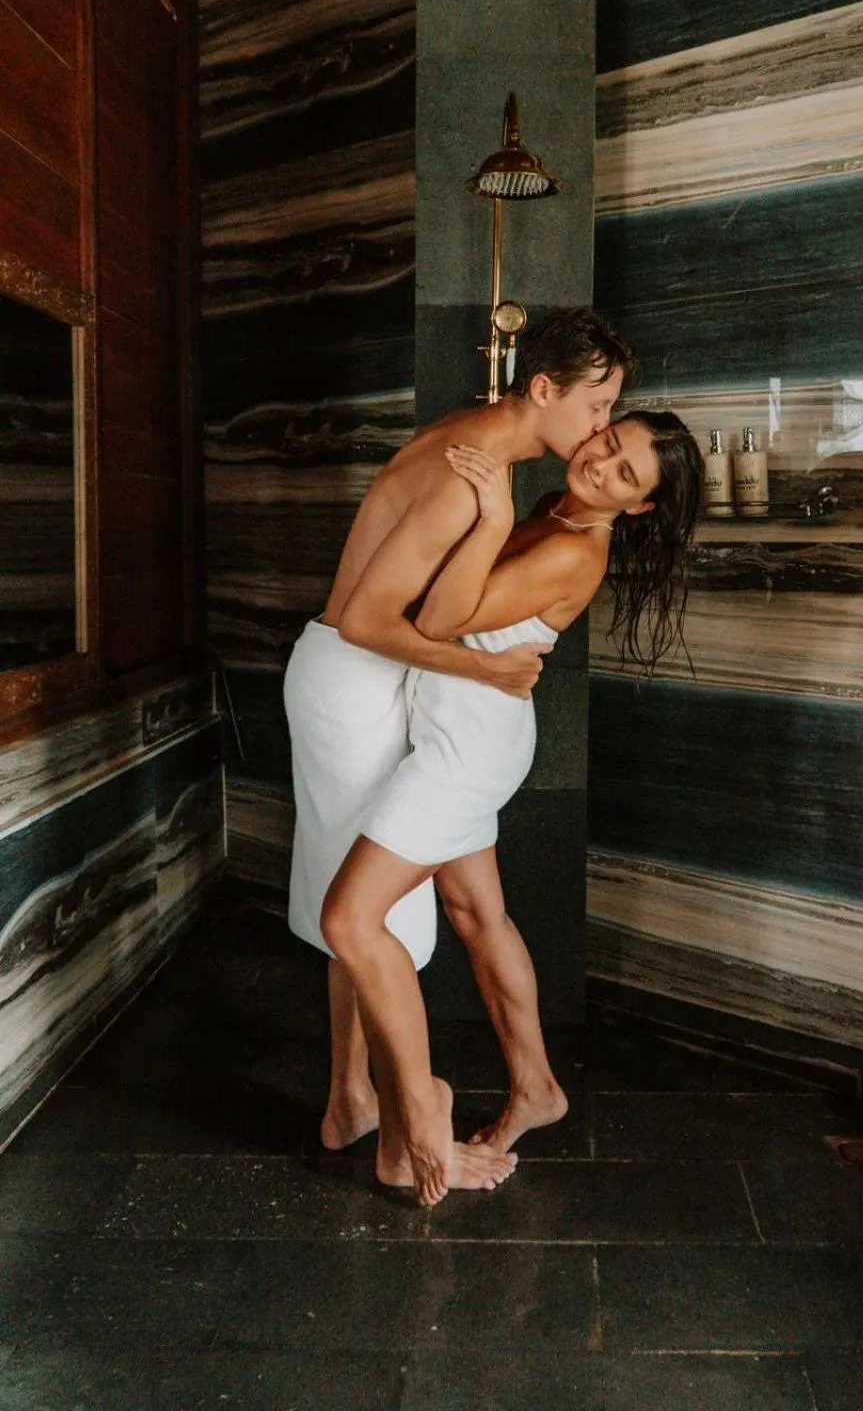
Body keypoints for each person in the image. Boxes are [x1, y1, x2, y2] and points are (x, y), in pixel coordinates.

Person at [283, 309, 636, 1185]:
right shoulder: (467, 479)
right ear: (544, 391)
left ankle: (353, 1104)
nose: (601, 431)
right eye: (599, 409)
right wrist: (482, 673)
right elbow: (371, 620)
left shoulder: (476, 442)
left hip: (367, 686)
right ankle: (410, 1129)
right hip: (356, 686)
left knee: (362, 908)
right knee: (365, 916)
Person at [321, 410, 704, 1204]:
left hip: (466, 754)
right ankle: (536, 1088)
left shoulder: (570, 547)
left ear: (637, 508)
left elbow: (435, 619)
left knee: (350, 920)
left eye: (626, 474)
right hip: (462, 735)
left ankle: (420, 1112)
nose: (600, 462)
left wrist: (491, 514)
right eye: (610, 440)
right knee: (476, 915)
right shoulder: (554, 511)